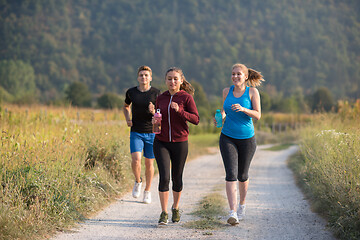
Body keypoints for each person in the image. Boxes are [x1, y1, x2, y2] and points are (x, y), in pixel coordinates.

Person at [215, 63, 264, 225]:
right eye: (233, 74)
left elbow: (257, 115)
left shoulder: (252, 92)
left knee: (242, 176)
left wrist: (243, 109)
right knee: (231, 174)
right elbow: (224, 110)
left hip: (247, 139)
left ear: (245, 77)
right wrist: (220, 116)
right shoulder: (226, 91)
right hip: (227, 137)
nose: (235, 76)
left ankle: (242, 205)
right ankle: (232, 212)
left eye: (238, 74)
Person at [153, 67, 200, 225]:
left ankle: (176, 207)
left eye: (175, 79)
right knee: (164, 177)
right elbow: (158, 117)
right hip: (161, 141)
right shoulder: (160, 98)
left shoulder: (186, 98)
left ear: (181, 80)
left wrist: (180, 111)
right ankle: (164, 212)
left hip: (180, 142)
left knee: (177, 178)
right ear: (165, 80)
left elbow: (195, 119)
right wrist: (154, 121)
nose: (172, 82)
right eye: (169, 79)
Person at [123, 65, 160, 204]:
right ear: (138, 77)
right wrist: (128, 118)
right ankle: (138, 181)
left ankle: (147, 191)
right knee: (136, 160)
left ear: (150, 78)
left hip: (152, 132)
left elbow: (160, 113)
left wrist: (153, 112)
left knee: (149, 163)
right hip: (136, 131)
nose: (143, 77)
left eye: (146, 75)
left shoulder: (156, 93)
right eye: (141, 75)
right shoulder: (131, 92)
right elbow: (126, 106)